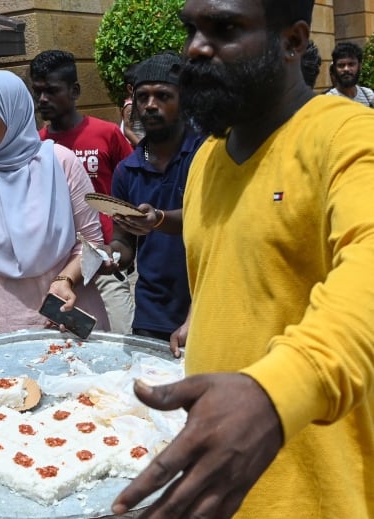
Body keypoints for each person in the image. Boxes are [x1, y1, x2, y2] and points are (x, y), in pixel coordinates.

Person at [111, 1, 374, 518]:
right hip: (214, 487)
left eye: (225, 29)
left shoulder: (348, 136)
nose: (195, 48)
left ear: (293, 42)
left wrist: (272, 394)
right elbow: (236, 259)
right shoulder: (209, 155)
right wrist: (199, 320)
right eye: (191, 29)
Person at [0, 70, 109, 354]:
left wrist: (66, 279)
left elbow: (94, 244)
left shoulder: (60, 164)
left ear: (14, 114)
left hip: (65, 326)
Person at [29, 50, 134, 334]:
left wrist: (127, 246)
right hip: (62, 269)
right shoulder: (35, 147)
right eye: (37, 92)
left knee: (121, 338)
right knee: (72, 345)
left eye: (51, 91)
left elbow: (130, 189)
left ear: (74, 91)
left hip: (103, 262)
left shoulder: (107, 134)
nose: (42, 100)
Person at [109, 52, 201, 348]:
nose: (150, 105)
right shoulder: (127, 170)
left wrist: (157, 219)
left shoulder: (205, 154)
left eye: (162, 95)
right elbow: (124, 245)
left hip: (203, 306)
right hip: (151, 314)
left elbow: (209, 218)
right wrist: (107, 256)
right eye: (142, 97)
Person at [326, 41, 374, 107]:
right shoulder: (328, 100)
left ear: (359, 66)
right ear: (334, 68)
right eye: (341, 65)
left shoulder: (369, 96)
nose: (346, 69)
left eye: (351, 64)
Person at [120, 63, 146, 147]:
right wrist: (143, 148)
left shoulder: (143, 102)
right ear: (130, 88)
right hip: (134, 147)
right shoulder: (130, 106)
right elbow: (128, 131)